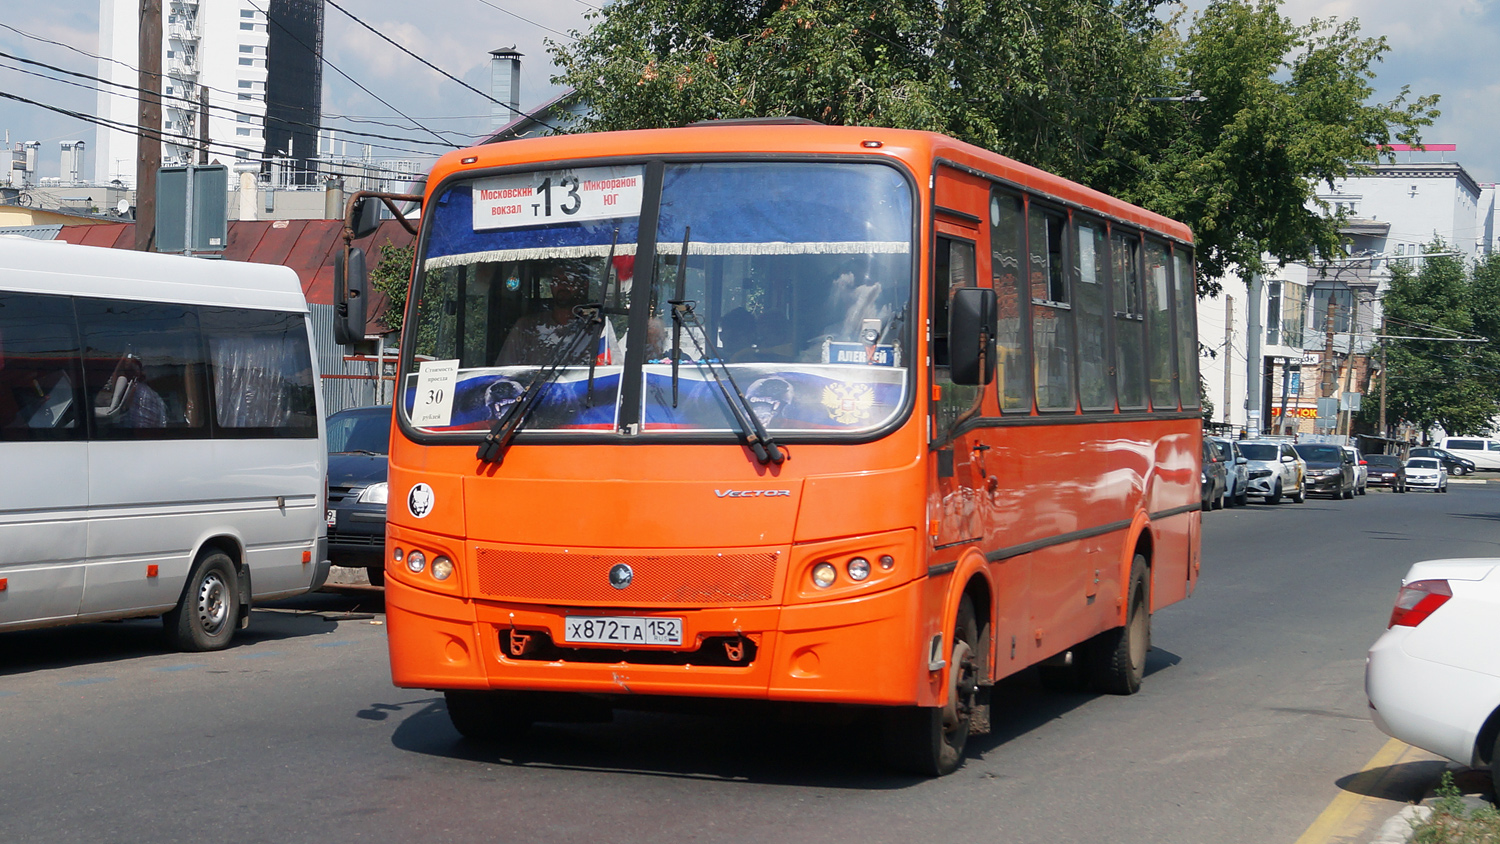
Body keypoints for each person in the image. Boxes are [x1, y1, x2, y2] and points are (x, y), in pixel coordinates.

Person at [497, 261, 620, 366]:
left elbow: (612, 374)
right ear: (551, 285)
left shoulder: (596, 327)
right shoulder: (526, 327)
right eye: (557, 280)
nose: (562, 285)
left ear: (584, 285)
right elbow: (504, 373)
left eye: (569, 279)